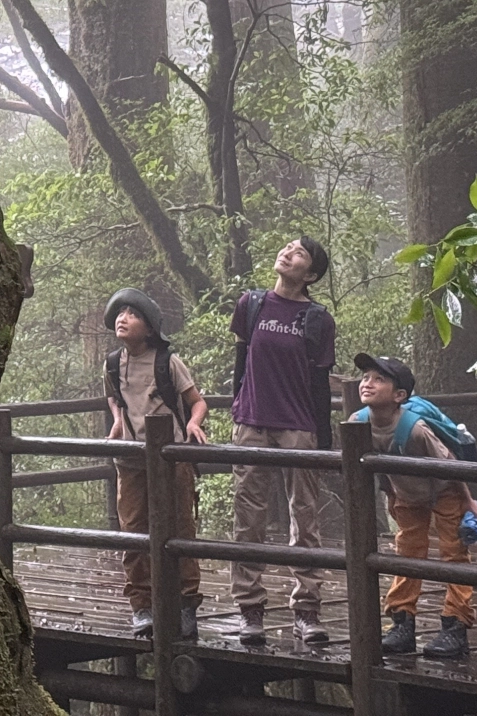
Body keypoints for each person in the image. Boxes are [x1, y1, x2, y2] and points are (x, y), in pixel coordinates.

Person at [227, 235, 336, 645]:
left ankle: (307, 609)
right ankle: (250, 608)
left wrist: (322, 437)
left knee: (304, 516)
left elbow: (320, 381)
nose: (287, 253)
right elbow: (241, 359)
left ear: (310, 274)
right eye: (287, 248)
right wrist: (238, 408)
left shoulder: (317, 319)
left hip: (298, 425)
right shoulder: (251, 304)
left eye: (299, 253)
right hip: (253, 420)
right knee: (248, 517)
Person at [354, 353, 477, 659]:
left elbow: (449, 464)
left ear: (399, 396)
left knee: (454, 552)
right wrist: (391, 495)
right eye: (366, 377)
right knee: (407, 552)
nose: (368, 383)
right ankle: (402, 623)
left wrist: (468, 500)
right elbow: (373, 466)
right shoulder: (357, 424)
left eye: (379, 379)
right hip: (406, 492)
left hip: (445, 489)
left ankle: (455, 625)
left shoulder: (415, 429)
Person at [103, 287, 208, 641]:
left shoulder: (167, 361)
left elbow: (197, 402)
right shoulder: (113, 363)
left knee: (180, 525)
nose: (123, 318)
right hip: (131, 457)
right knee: (133, 528)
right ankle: (142, 605)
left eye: (132, 314)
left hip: (171, 455)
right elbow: (114, 396)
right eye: (120, 313)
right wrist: (118, 420)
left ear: (149, 328)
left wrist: (193, 424)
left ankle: (185, 603)